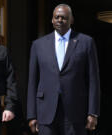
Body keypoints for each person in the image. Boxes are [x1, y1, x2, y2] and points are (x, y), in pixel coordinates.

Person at [27, 4, 100, 135]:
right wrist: (31, 115)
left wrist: (93, 112)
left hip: (75, 112)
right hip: (46, 112)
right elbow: (32, 81)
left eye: (64, 18)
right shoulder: (38, 45)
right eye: (57, 17)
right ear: (52, 20)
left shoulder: (86, 42)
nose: (60, 20)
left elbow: (93, 80)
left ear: (71, 20)